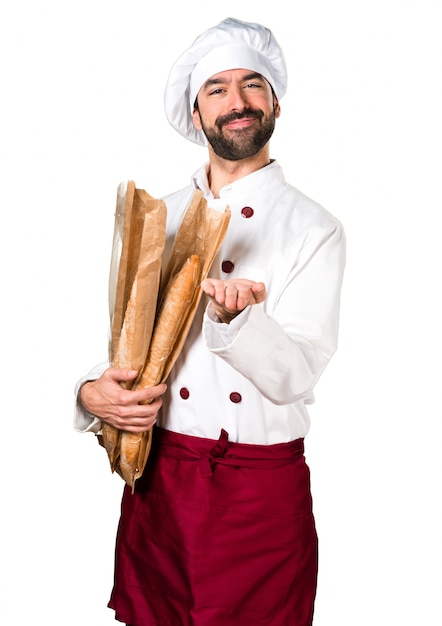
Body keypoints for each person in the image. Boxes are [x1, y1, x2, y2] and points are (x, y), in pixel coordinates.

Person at [74, 17, 346, 626]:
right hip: (160, 482)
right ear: (197, 114)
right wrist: (92, 394)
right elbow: (126, 342)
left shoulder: (313, 228)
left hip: (258, 494)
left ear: (274, 102)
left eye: (253, 85)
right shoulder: (156, 215)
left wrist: (238, 321)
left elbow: (297, 374)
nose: (237, 102)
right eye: (217, 89)